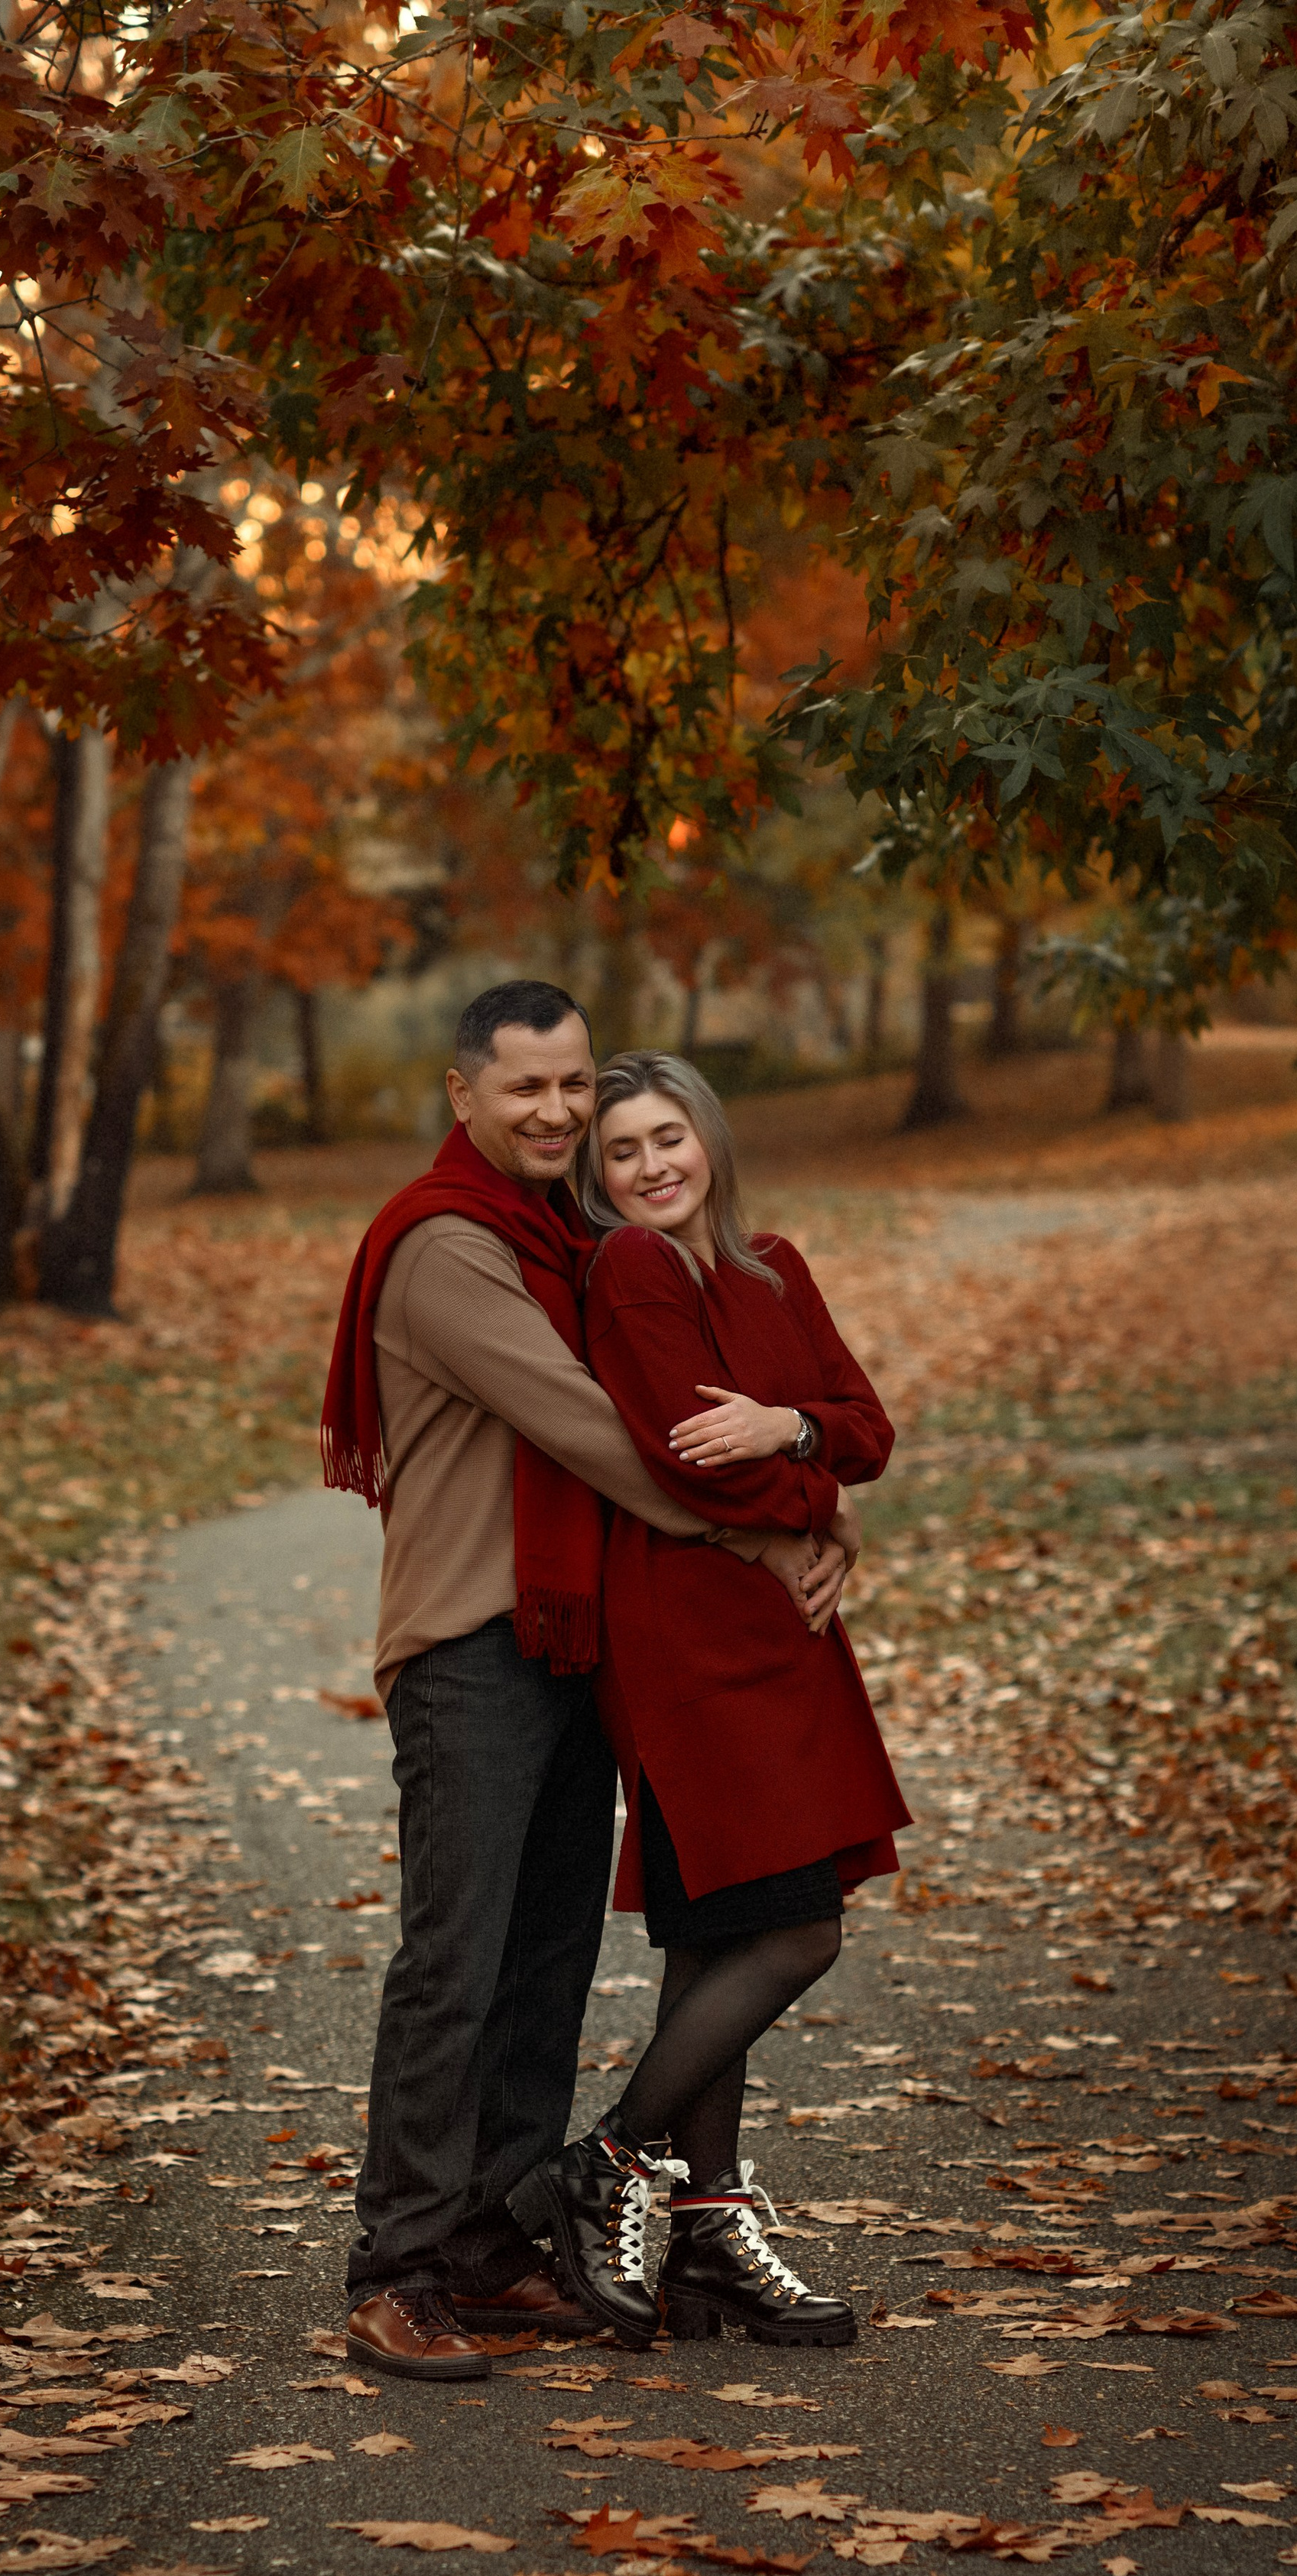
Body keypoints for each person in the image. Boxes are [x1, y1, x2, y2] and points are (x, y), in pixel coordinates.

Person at [319, 983, 854, 2382]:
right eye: (526, 1091)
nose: (556, 1111)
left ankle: (494, 2240)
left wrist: (805, 1469)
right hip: (468, 1641)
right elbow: (606, 1435)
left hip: (573, 1637)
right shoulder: (447, 1247)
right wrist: (773, 1521)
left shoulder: (569, 1236)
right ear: (462, 1098)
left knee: (544, 1958)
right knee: (455, 1955)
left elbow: (697, 1393)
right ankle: (398, 2266)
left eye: (573, 1086)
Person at [510, 1050, 910, 2351]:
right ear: (599, 1176)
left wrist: (796, 1438)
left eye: (666, 1138)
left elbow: (864, 1424)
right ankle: (610, 2161)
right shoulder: (628, 1271)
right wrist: (813, 1504)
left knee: (718, 1938)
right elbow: (697, 1467)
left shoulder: (772, 1268)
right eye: (618, 1152)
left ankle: (712, 2232)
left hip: (779, 1633)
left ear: (710, 1140)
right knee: (798, 1934)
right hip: (688, 1634)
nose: (649, 1168)